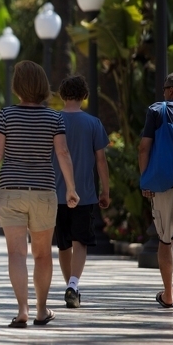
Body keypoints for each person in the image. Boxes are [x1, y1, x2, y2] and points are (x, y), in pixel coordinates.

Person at [0, 60, 79, 328]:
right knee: (42, 254)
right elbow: (62, 153)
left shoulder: (6, 115)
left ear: (18, 87)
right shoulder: (54, 117)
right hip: (43, 192)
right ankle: (40, 309)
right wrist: (71, 188)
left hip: (11, 191)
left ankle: (22, 310)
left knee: (16, 254)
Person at [53, 76, 110, 309]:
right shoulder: (93, 123)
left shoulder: (54, 120)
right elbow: (101, 160)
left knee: (63, 243)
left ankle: (71, 286)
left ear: (61, 94)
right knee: (81, 241)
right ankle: (73, 285)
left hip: (56, 192)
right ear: (84, 96)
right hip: (85, 193)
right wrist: (105, 190)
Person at [139, 71, 173, 310]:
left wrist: (145, 180)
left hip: (163, 186)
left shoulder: (157, 110)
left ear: (170, 90)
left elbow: (143, 148)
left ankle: (168, 294)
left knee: (165, 240)